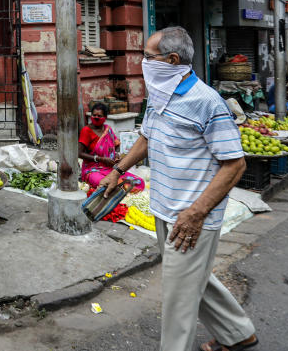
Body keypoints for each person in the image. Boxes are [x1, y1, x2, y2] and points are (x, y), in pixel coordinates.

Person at [99, 26, 256, 351]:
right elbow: (147, 136)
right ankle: (238, 333)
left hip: (191, 217)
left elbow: (235, 165)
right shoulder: (160, 94)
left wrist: (196, 213)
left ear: (172, 59)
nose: (142, 62)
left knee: (177, 300)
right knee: (189, 278)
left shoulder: (207, 103)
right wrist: (118, 170)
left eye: (147, 57)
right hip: (164, 209)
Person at [79, 101, 145, 193]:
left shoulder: (108, 129)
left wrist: (116, 155)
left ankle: (121, 191)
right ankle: (121, 191)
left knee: (139, 182)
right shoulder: (86, 130)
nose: (96, 117)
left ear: (105, 117)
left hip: (110, 169)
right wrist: (100, 159)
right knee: (104, 184)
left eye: (99, 116)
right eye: (94, 115)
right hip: (93, 170)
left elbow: (116, 145)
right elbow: (79, 153)